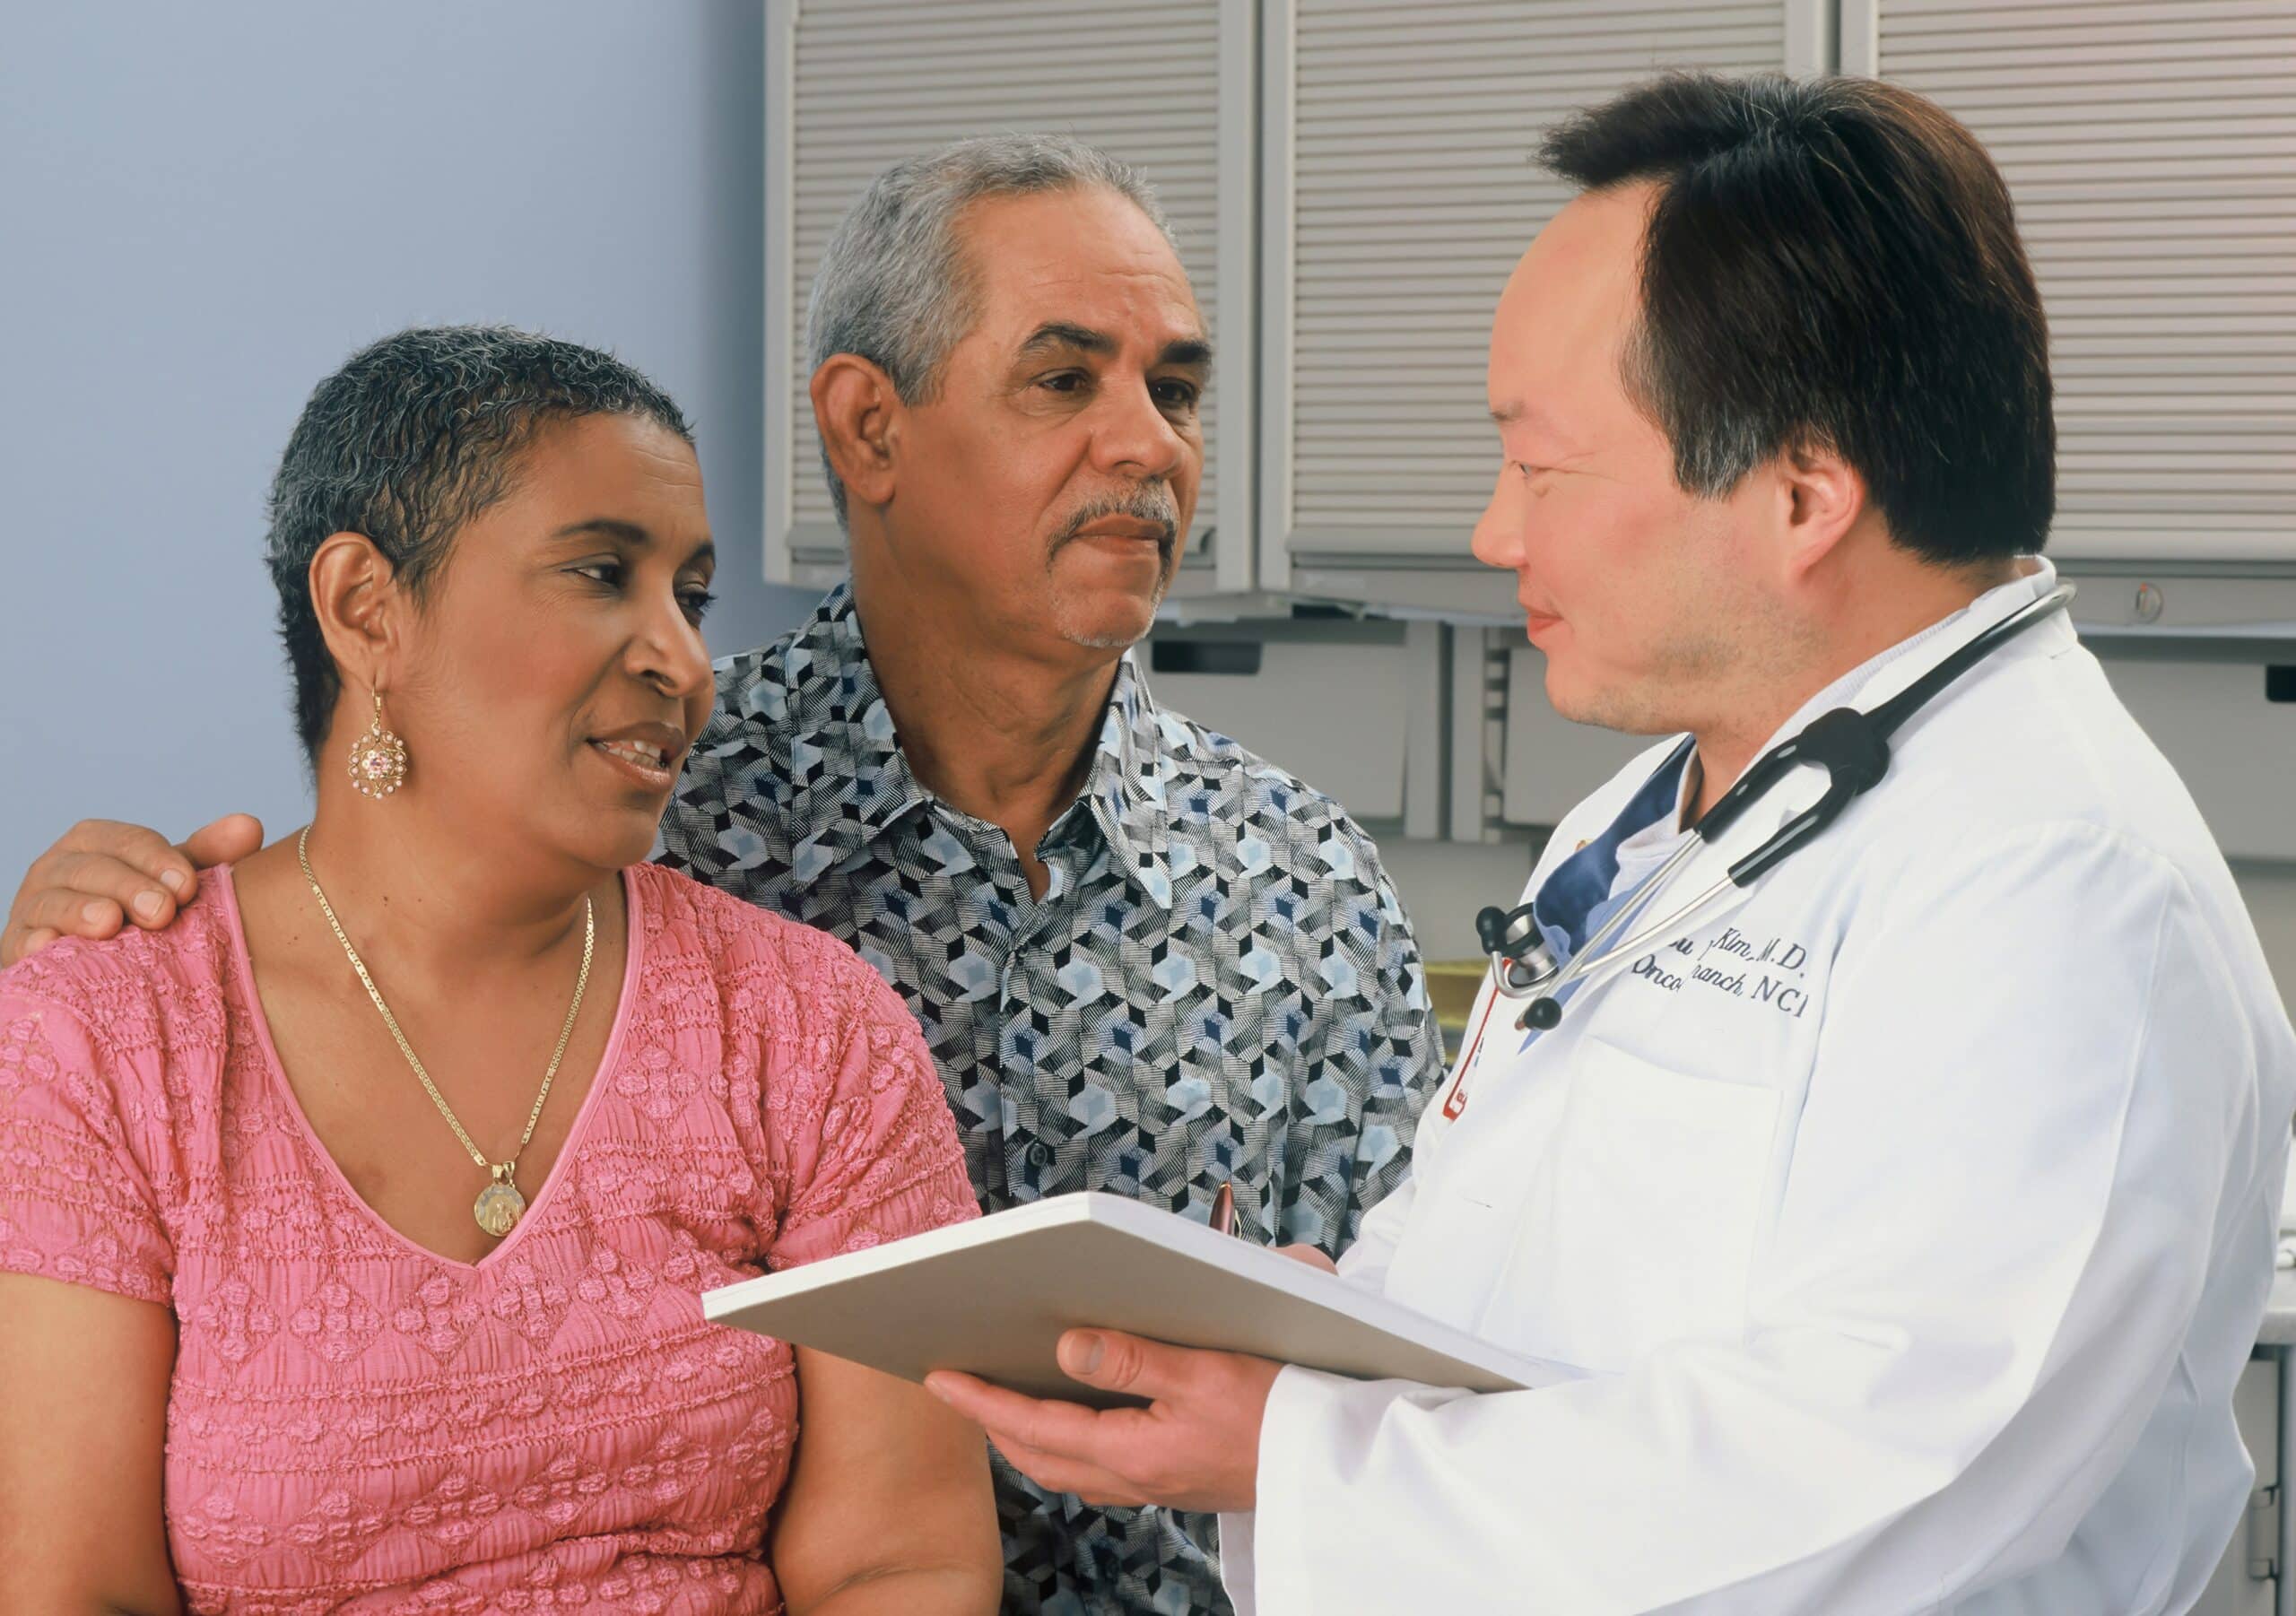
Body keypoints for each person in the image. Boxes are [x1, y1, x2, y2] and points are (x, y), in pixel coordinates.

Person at [0, 136, 1443, 1615]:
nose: (1150, 443)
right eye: (1065, 378)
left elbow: (1436, 1368)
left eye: (1179, 391)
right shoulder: (637, 796)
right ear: (867, 430)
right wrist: (82, 974)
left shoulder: (1303, 883)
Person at [922, 74, 2296, 1614]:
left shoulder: (2060, 886)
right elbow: (1544, 1260)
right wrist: (1324, 1331)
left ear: (1802, 493)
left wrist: (1302, 1451)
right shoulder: (1654, 814)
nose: (1495, 532)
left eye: (1544, 466)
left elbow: (1890, 1485)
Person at [0, 327, 1000, 1615]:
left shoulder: (809, 1028)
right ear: (368, 607)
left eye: (688, 598)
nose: (685, 662)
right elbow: (73, 1588)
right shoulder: (104, 1039)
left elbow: (901, 1560)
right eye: (599, 574)